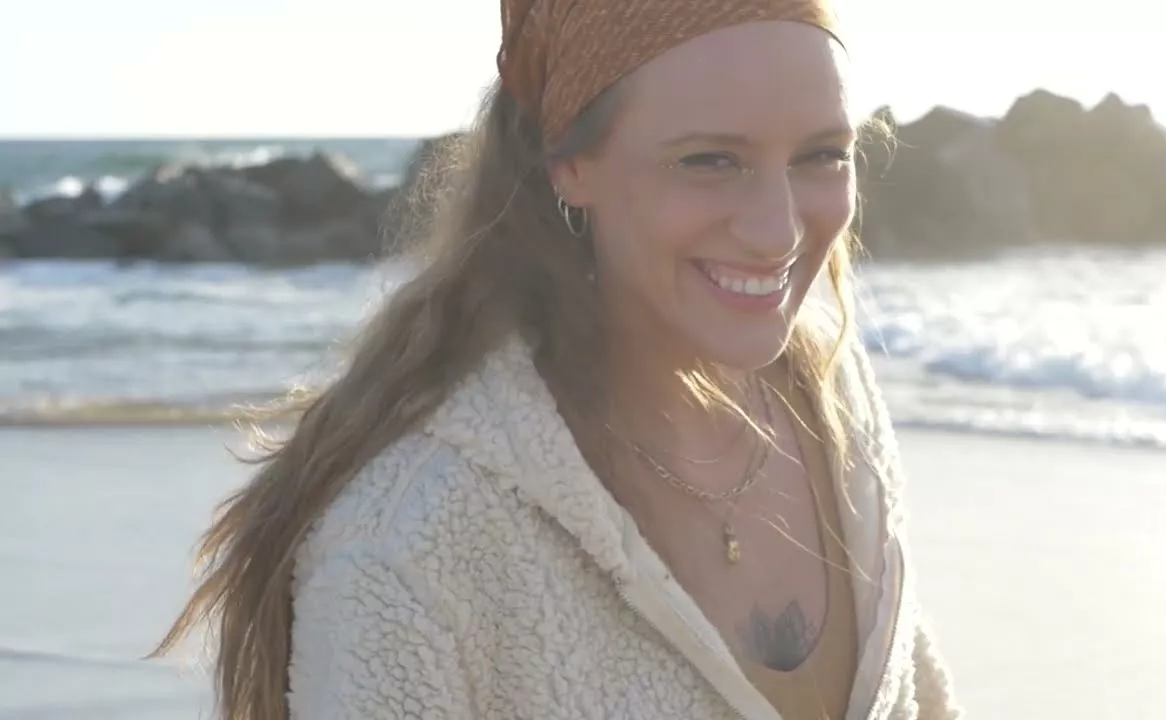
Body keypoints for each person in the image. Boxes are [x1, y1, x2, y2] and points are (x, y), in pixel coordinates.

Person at [153, 1, 964, 718]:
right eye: (710, 160)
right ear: (568, 163)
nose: (777, 230)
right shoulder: (412, 542)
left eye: (822, 155)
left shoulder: (832, 395)